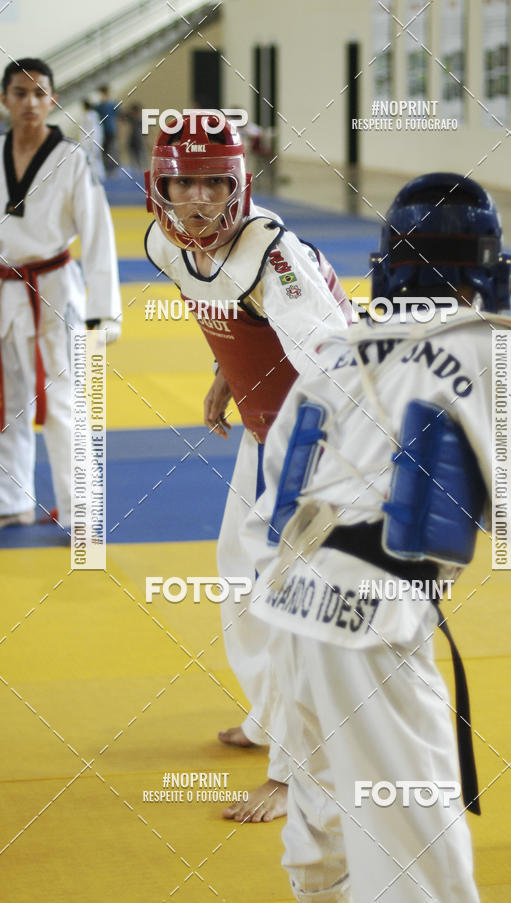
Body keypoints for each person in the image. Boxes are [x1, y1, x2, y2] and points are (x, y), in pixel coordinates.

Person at [244, 173, 511, 901]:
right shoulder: (493, 348)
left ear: (387, 263)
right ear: (487, 265)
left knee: (322, 826)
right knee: (421, 849)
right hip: (373, 620)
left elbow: (272, 489)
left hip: (287, 607)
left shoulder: (336, 346)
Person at [144, 111, 350, 821]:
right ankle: (269, 715)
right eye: (184, 184)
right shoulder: (166, 244)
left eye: (215, 183)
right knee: (237, 573)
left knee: (293, 599)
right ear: (160, 187)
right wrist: (227, 374)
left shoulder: (272, 255)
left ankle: (300, 772)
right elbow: (231, 312)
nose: (199, 200)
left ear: (240, 184)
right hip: (267, 428)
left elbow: (337, 363)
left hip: (320, 437)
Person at [0, 58, 121, 530]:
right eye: (20, 93)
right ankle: (12, 501)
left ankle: (80, 509)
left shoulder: (72, 158)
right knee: (7, 400)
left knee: (63, 401)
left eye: (39, 93)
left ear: (52, 99)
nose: (30, 102)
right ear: (5, 100)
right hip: (5, 291)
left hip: (53, 291)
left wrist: (104, 314)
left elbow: (98, 234)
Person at [80, 96, 105, 183]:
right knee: (95, 159)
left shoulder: (89, 116)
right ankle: (98, 175)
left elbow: (92, 130)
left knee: (93, 159)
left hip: (91, 141)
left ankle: (97, 176)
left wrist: (89, 142)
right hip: (94, 140)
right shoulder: (93, 115)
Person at [96, 85, 119, 173]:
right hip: (103, 132)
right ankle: (108, 169)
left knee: (112, 149)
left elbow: (118, 115)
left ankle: (113, 169)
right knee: (106, 151)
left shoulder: (111, 104)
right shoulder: (100, 106)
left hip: (111, 130)